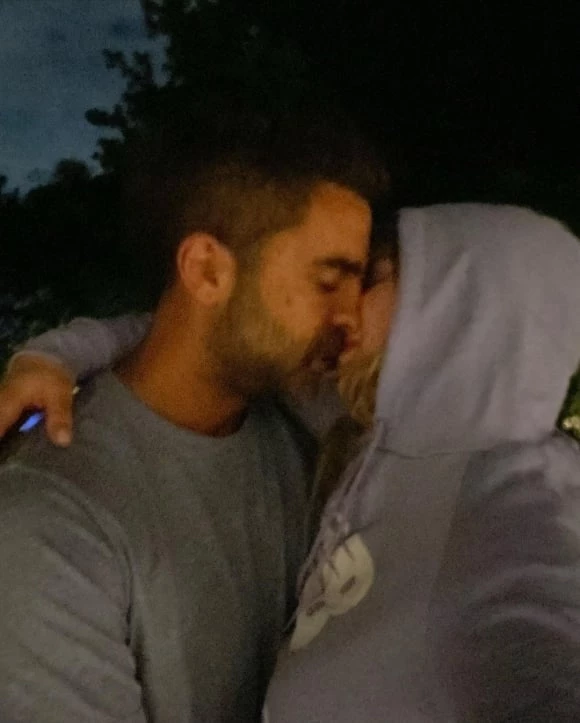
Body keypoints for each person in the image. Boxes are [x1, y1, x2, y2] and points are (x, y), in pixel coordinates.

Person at [4, 202, 580, 722]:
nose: (344, 311)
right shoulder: (353, 426)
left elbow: (541, 648)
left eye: (368, 280)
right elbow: (212, 329)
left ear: (455, 304)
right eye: (332, 282)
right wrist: (53, 356)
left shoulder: (516, 484)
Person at [0, 108, 386, 722]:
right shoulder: (50, 521)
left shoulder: (301, 427)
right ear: (207, 270)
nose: (351, 315)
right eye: (327, 281)